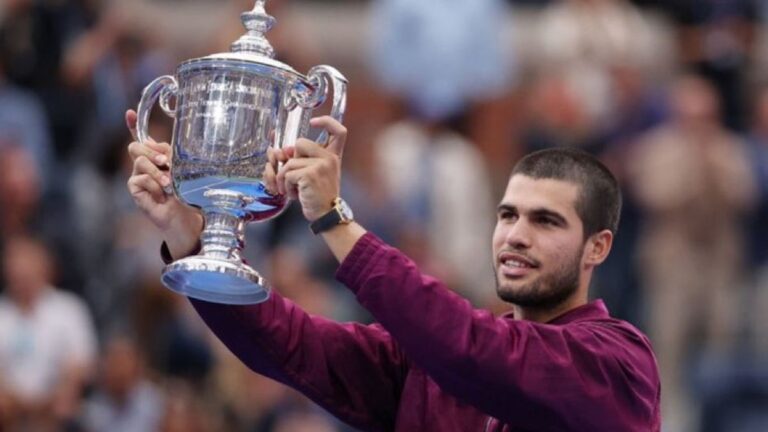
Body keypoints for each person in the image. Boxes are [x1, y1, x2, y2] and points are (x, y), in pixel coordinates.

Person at [125, 109, 660, 431]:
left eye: (545, 221)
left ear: (598, 247)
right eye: (507, 215)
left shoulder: (618, 365)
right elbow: (291, 344)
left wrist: (334, 219)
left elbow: (477, 351)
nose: (516, 235)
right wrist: (193, 239)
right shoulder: (427, 364)